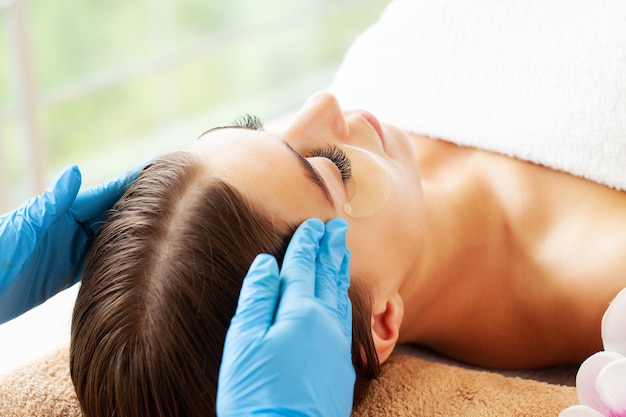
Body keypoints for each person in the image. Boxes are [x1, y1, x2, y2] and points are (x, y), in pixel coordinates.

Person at [69, 89, 626, 417]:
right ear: (378, 323)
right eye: (333, 168)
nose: (325, 102)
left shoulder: (396, 93)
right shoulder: (603, 273)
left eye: (259, 128)